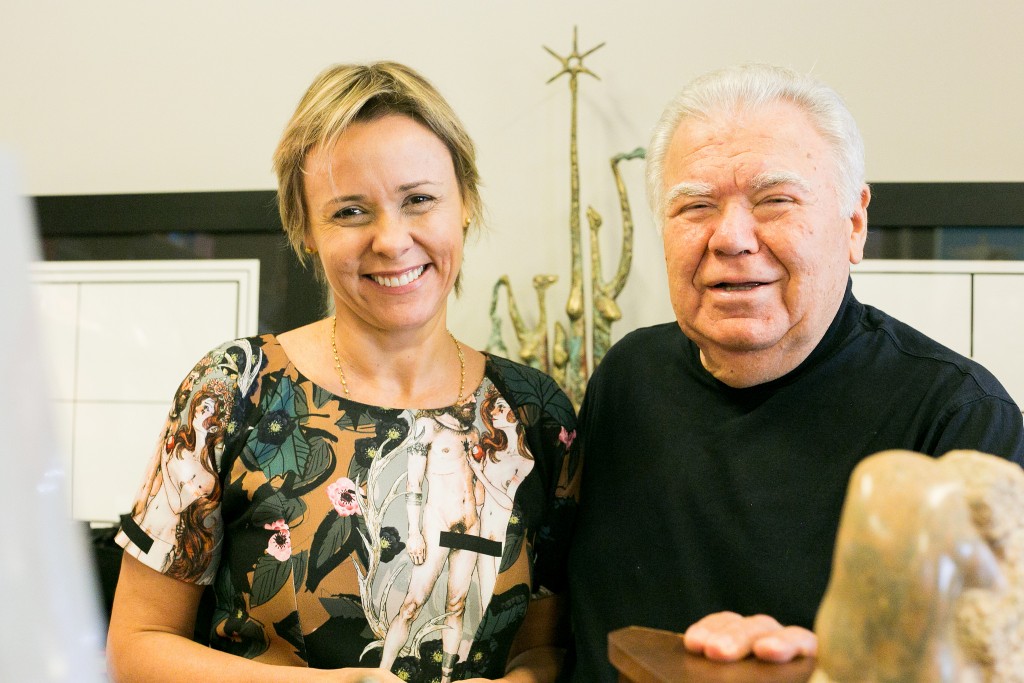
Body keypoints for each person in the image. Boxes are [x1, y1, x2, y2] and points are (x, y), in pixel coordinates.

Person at [107, 61, 580, 683]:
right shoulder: (231, 389)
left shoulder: (534, 413)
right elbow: (137, 644)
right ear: (305, 231)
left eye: (419, 200)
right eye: (351, 212)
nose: (391, 240)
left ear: (465, 204)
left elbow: (544, 649)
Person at [565, 63, 1024, 682]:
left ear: (854, 223)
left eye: (774, 200)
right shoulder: (626, 379)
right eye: (695, 206)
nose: (730, 238)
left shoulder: (956, 417)